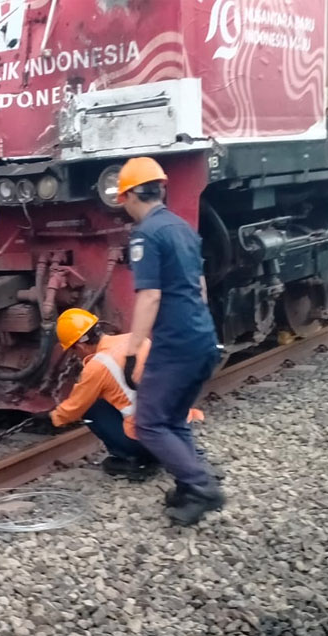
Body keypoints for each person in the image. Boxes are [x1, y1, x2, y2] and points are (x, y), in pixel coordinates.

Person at [117, 156, 224, 527]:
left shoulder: (146, 234)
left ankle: (203, 486)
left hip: (175, 344)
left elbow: (150, 296)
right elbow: (201, 286)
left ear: (131, 195)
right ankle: (188, 486)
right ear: (160, 189)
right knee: (173, 418)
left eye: (123, 200)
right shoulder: (180, 227)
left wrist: (132, 350)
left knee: (148, 423)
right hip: (201, 338)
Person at [37, 308, 204, 481]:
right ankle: (180, 453)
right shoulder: (137, 340)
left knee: (91, 408)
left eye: (73, 350)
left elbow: (74, 408)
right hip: (180, 425)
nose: (75, 355)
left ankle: (137, 460)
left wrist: (54, 417)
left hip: (150, 437)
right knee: (112, 394)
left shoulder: (98, 366)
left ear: (79, 345)